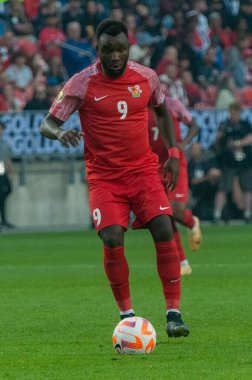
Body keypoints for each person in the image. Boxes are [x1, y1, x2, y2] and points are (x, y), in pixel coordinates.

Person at [40, 19, 190, 338]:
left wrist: (174, 155)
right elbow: (47, 123)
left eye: (121, 49)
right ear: (98, 50)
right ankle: (127, 317)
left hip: (143, 171)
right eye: (108, 50)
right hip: (105, 178)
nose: (116, 56)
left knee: (165, 227)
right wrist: (61, 132)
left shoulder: (146, 77)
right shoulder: (81, 83)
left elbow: (163, 111)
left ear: (128, 48)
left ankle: (174, 314)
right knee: (111, 237)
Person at [148, 96, 202, 277]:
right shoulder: (137, 105)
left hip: (175, 162)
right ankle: (183, 262)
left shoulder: (172, 104)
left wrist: (183, 144)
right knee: (164, 215)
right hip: (153, 166)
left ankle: (191, 221)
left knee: (176, 211)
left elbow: (194, 125)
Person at [213, 101, 252, 223]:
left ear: (240, 113)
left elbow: (250, 138)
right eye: (232, 112)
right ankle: (217, 214)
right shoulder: (224, 125)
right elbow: (217, 141)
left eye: (236, 112)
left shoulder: (245, 125)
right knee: (223, 188)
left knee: (248, 188)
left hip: (245, 162)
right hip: (228, 162)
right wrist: (222, 136)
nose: (234, 115)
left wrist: (238, 143)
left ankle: (247, 213)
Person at [0, 121, 16, 229]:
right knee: (2, 193)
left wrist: (12, 172)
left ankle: (4, 220)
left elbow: (7, 158)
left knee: (8, 189)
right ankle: (4, 220)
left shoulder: (4, 142)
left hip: (1, 169)